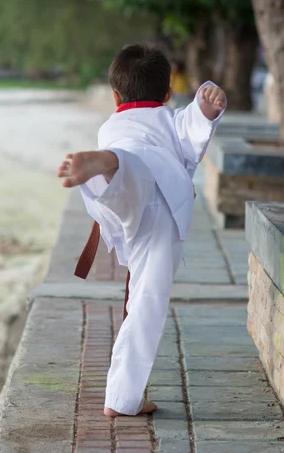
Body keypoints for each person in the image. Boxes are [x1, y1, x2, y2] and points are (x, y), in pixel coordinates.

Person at [58, 42, 227, 417]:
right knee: (147, 302)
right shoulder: (170, 119)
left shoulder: (112, 124)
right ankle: (123, 399)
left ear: (116, 95)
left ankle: (110, 163)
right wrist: (205, 105)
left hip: (125, 194)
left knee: (128, 170)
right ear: (168, 93)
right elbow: (191, 126)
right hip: (161, 200)